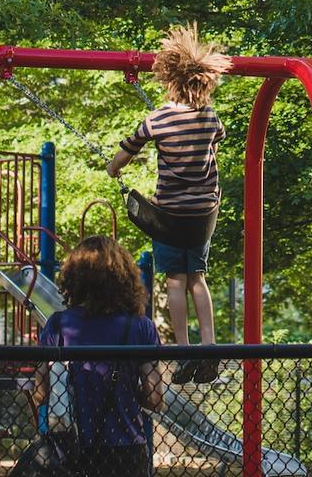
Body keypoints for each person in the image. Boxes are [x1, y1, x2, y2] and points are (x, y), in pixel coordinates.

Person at [107, 25, 230, 382]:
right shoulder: (209, 117)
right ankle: (209, 346)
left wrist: (112, 168)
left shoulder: (157, 119)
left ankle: (183, 349)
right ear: (204, 82)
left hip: (170, 215)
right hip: (203, 215)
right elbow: (216, 143)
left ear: (169, 81)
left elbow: (126, 153)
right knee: (198, 279)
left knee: (175, 281)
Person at [24, 235, 164, 477]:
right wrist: (129, 392)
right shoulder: (141, 327)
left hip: (71, 446)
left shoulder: (58, 325)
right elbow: (155, 398)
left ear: (74, 278)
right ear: (124, 279)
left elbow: (40, 394)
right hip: (127, 446)